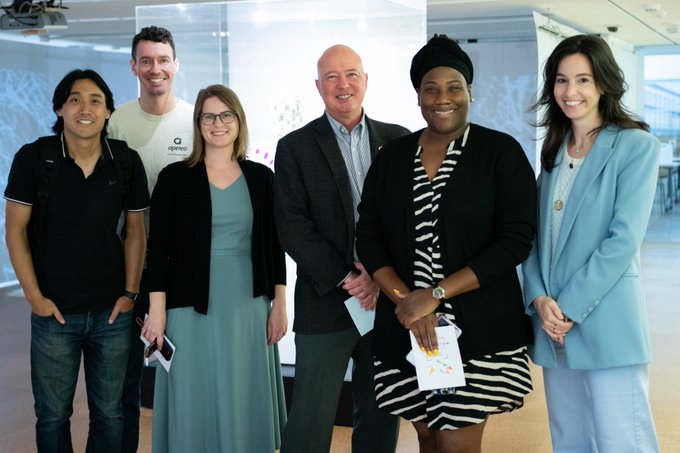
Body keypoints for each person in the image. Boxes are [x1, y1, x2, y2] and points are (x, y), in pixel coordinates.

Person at [355, 34, 536, 453]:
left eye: (454, 86)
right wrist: (407, 301)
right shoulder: (392, 157)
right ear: (417, 95)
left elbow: (515, 240)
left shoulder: (500, 153)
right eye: (430, 88)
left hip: (479, 328)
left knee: (457, 442)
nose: (443, 98)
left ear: (470, 90)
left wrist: (434, 295)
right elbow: (369, 236)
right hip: (406, 329)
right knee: (428, 438)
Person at [523, 34, 661, 452]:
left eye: (582, 79)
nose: (571, 92)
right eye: (562, 81)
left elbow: (622, 241)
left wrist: (569, 307)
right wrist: (540, 299)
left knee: (623, 438)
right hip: (552, 325)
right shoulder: (552, 152)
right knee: (569, 439)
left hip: (604, 321)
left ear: (603, 83)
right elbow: (531, 236)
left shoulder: (636, 146)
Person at [4, 69, 149, 452]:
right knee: (52, 416)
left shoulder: (126, 161)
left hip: (112, 314)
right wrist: (34, 297)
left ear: (107, 112)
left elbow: (137, 231)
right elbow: (15, 231)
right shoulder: (35, 158)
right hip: (54, 313)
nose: (85, 108)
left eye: (95, 100)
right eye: (75, 99)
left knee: (111, 414)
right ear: (60, 109)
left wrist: (130, 293)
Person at [274, 44, 409, 453]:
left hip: (386, 303)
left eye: (351, 74)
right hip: (325, 302)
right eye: (331, 77)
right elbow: (292, 227)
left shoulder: (399, 141)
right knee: (309, 423)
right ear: (318, 86)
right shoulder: (295, 147)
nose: (342, 84)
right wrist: (351, 278)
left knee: (381, 414)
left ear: (366, 81)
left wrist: (379, 278)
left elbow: (408, 222)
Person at [141, 84, 287, 452]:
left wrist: (280, 305)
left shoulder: (261, 178)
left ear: (239, 122)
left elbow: (274, 245)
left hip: (247, 305)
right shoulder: (175, 178)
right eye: (209, 115)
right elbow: (157, 250)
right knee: (195, 394)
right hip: (188, 307)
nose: (218, 123)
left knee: (242, 390)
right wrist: (156, 312)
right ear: (198, 123)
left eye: (226, 115)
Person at [107, 25, 194, 452]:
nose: (154, 69)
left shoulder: (196, 119)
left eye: (162, 60)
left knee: (187, 372)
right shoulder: (117, 122)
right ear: (133, 66)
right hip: (133, 268)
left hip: (186, 269)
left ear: (175, 65)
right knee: (127, 379)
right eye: (146, 60)